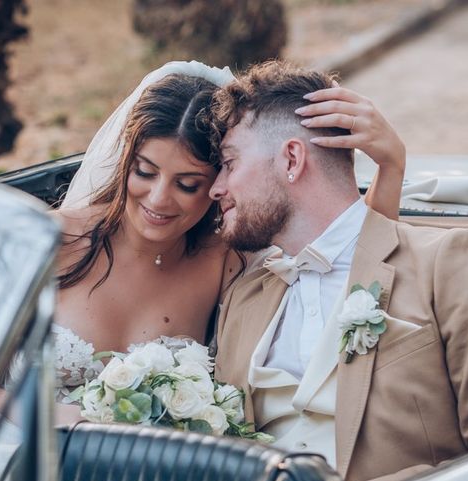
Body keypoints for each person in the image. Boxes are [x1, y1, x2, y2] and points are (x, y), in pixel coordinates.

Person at [208, 60, 468, 481]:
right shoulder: (244, 295)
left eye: (228, 164)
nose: (215, 188)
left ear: (292, 159)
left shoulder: (449, 262)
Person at [49, 61, 406, 412]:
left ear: (218, 186)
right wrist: (52, 422)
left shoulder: (226, 259)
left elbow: (348, 256)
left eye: (188, 185)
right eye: (145, 172)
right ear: (125, 161)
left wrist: (390, 166)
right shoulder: (52, 240)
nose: (158, 199)